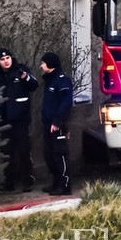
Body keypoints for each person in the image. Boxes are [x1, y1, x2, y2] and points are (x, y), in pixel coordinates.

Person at [0, 48, 39, 192]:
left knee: (24, 150)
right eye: (2, 59)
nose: (6, 61)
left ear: (11, 58)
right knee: (6, 152)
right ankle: (8, 182)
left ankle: (27, 181)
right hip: (4, 121)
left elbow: (34, 85)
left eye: (8, 58)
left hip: (21, 119)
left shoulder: (20, 70)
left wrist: (25, 77)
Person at [39, 52, 74, 195]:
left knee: (60, 154)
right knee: (49, 155)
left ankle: (65, 185)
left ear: (50, 64)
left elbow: (66, 102)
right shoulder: (50, 81)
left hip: (57, 124)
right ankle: (55, 182)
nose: (41, 65)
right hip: (48, 124)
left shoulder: (62, 80)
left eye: (43, 63)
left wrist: (58, 121)